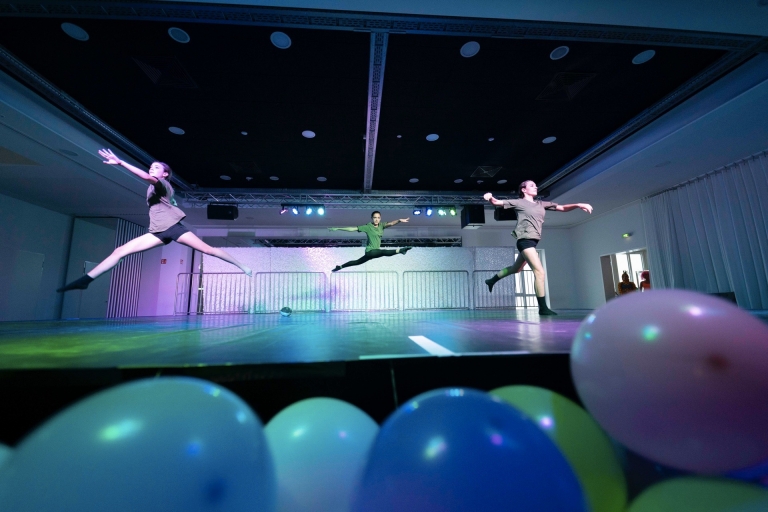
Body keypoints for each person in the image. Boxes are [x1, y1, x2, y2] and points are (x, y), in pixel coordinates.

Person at [57, 149, 251, 292]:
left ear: (164, 174)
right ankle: (86, 280)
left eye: (156, 167)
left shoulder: (162, 184)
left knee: (208, 250)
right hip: (157, 232)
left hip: (173, 228)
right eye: (151, 167)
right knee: (120, 251)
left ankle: (242, 266)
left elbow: (144, 177)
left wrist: (121, 163)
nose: (151, 169)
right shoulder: (154, 188)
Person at [483, 180, 593, 315]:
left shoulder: (541, 204)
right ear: (523, 190)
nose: (535, 187)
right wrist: (490, 197)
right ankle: (543, 308)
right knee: (540, 272)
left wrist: (578, 204)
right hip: (525, 241)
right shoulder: (519, 202)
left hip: (533, 242)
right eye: (531, 185)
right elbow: (496, 202)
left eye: (535, 185)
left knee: (516, 269)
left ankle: (491, 280)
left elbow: (562, 208)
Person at [329, 211, 412, 272]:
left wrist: (399, 220)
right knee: (383, 252)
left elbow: (391, 223)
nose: (376, 219)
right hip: (370, 252)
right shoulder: (368, 227)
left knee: (357, 262)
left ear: (380, 218)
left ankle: (339, 267)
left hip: (375, 252)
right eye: (375, 217)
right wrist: (338, 228)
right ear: (372, 218)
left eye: (378, 218)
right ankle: (400, 250)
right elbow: (352, 229)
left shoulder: (381, 225)